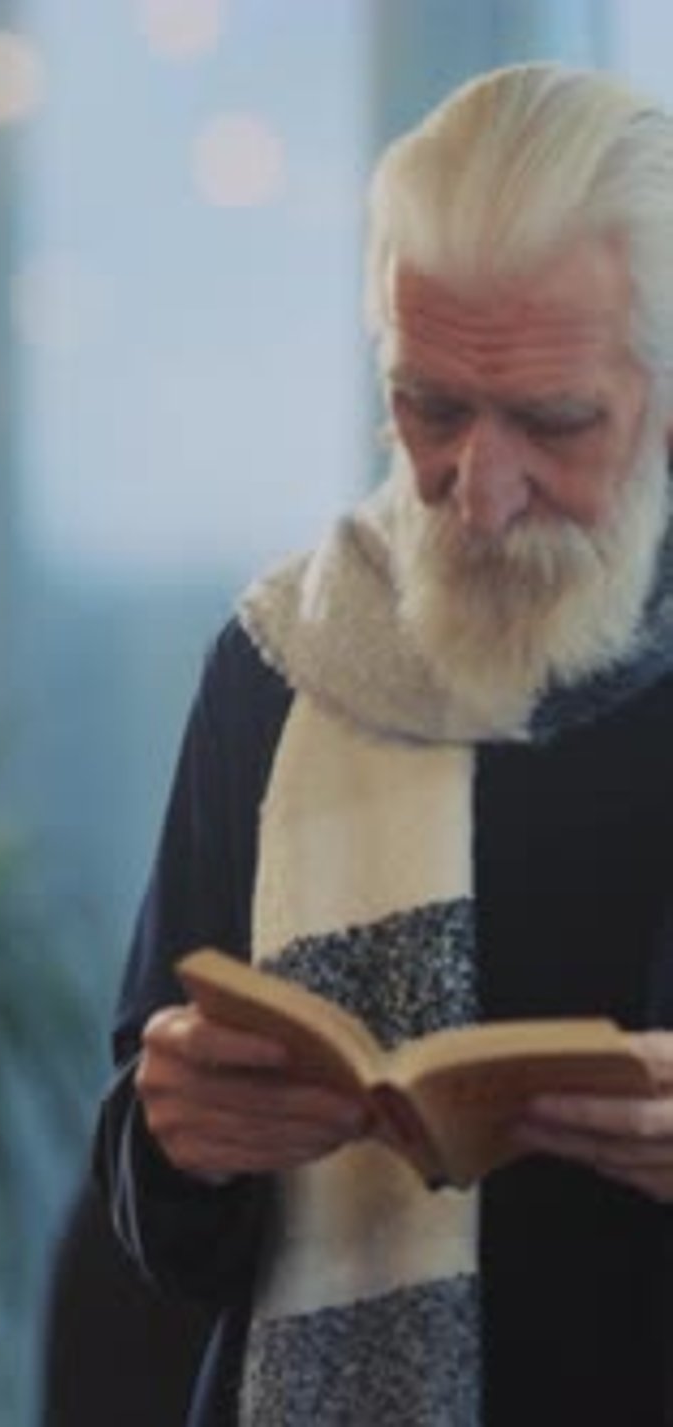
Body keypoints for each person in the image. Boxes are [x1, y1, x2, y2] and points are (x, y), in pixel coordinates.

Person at [94, 63, 673, 1426]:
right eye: (433, 406)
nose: (481, 490)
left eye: (552, 420)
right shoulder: (279, 666)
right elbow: (150, 1198)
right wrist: (180, 1139)